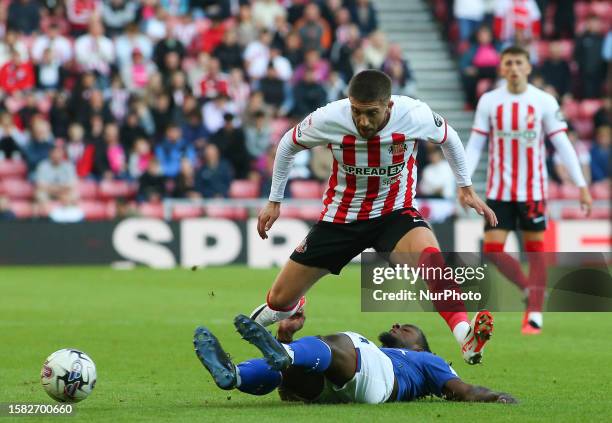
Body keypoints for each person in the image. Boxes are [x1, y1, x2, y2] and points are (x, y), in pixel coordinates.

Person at [251, 69, 497, 364]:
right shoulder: (330, 118)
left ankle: (465, 336)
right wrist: (274, 201)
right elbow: (288, 144)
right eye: (356, 112)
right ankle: (287, 312)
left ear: (389, 106)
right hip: (341, 220)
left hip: (394, 214)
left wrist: (466, 188)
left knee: (433, 262)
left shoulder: (414, 114)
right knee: (279, 300)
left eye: (371, 113)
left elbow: (450, 137)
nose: (363, 121)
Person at [464, 46, 592, 335]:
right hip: (498, 190)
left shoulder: (544, 101)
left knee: (535, 252)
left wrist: (582, 186)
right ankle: (530, 291)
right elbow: (475, 145)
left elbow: (561, 143)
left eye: (519, 63)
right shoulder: (489, 101)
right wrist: (464, 183)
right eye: (508, 63)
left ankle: (534, 314)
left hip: (533, 190)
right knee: (493, 250)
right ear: (501, 68)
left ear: (528, 67)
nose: (513, 68)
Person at [193, 313, 515, 404]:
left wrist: (496, 395)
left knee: (341, 341)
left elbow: (464, 390)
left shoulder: (428, 361)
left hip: (383, 380)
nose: (396, 326)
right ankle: (234, 375)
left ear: (419, 348)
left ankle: (287, 352)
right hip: (342, 390)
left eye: (406, 328)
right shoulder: (397, 353)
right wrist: (286, 334)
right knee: (290, 373)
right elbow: (286, 395)